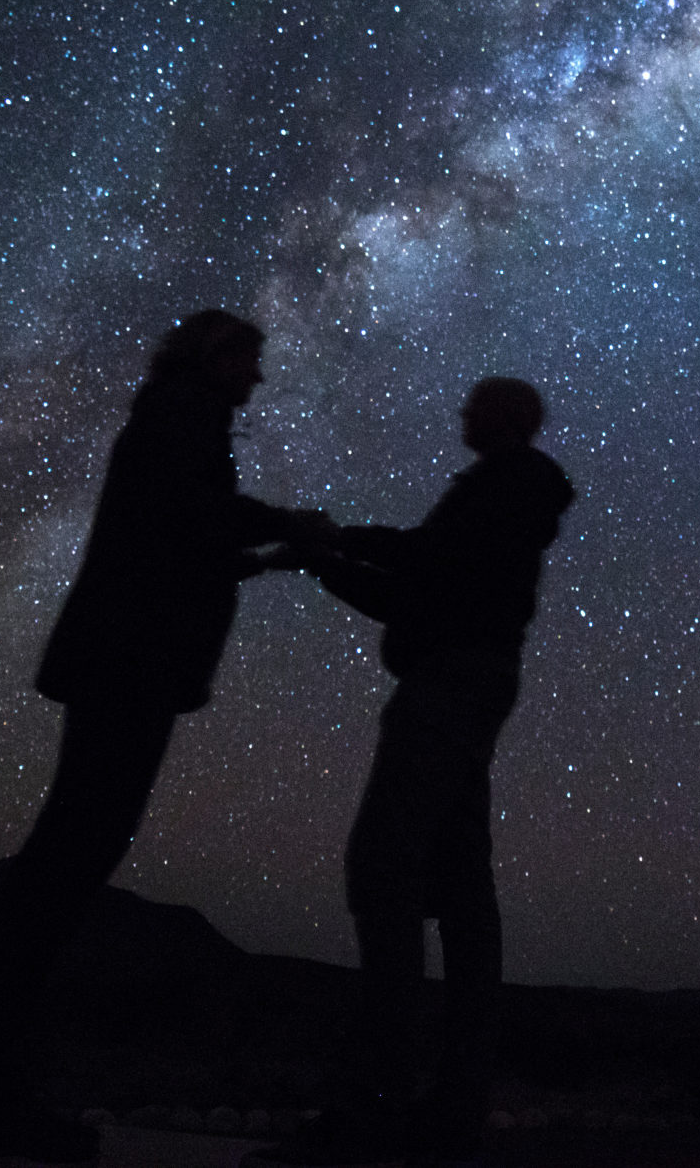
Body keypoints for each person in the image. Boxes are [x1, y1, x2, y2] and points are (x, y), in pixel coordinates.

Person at [0, 311, 327, 1165]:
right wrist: (285, 523)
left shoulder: (176, 416)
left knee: (71, 855)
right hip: (130, 659)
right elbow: (194, 518)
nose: (257, 378)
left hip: (126, 656)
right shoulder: (183, 414)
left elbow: (180, 535)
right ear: (212, 358)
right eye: (248, 359)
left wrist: (269, 551)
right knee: (70, 856)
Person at [263, 377, 575, 1167]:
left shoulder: (499, 490)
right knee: (465, 897)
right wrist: (334, 557)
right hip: (469, 683)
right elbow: (423, 585)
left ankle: (377, 1102)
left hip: (446, 687)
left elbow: (424, 576)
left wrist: (333, 547)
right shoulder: (509, 499)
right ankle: (449, 1113)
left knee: (384, 871)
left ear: (505, 418)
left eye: (474, 404)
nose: (459, 412)